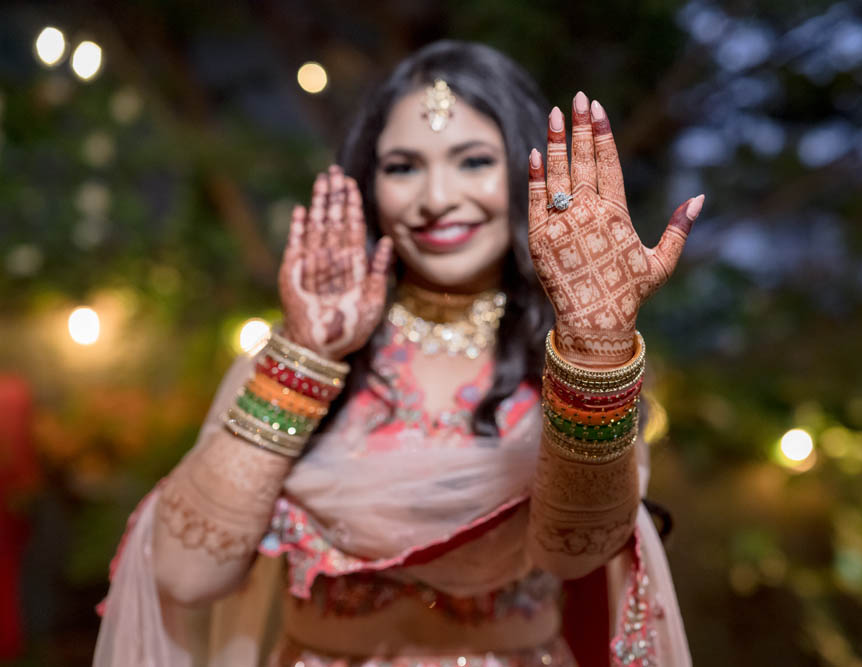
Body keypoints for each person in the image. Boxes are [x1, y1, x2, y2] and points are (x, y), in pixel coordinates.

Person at [94, 40, 703, 667]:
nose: (435, 198)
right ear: (368, 183)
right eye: (404, 167)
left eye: (472, 162)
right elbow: (185, 574)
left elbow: (575, 551)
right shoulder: (311, 349)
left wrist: (594, 347)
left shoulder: (572, 360)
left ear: (531, 173)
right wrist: (307, 359)